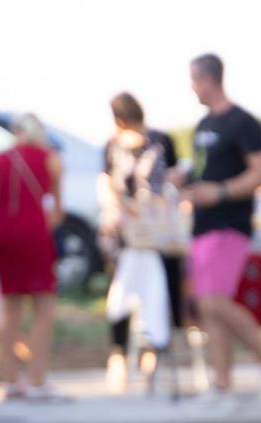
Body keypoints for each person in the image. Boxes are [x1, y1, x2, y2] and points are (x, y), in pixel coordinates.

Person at [174, 53, 261, 399]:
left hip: (230, 223)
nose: (191, 87)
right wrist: (183, 179)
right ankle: (222, 384)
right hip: (201, 225)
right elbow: (201, 171)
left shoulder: (243, 122)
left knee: (215, 302)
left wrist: (221, 192)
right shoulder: (203, 126)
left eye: (193, 79)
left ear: (208, 78)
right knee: (206, 306)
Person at [98, 92, 179, 392]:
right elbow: (107, 182)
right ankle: (118, 355)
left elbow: (173, 179)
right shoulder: (112, 145)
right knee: (120, 292)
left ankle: (152, 352)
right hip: (123, 231)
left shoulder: (160, 140)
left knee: (157, 293)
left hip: (156, 229)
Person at [0, 113, 64, 400]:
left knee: (10, 309)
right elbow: (57, 208)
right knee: (42, 308)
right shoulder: (50, 158)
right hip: (35, 231)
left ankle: (9, 378)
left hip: (4, 231)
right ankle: (37, 378)